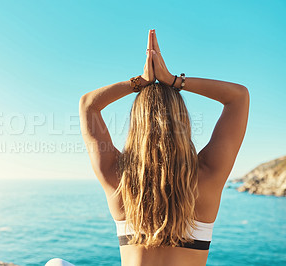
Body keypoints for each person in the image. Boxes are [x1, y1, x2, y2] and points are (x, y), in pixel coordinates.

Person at [47, 29, 250, 266]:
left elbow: (88, 105)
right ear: (182, 120)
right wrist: (175, 81)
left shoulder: (116, 175)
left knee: (56, 264)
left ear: (136, 122)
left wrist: (139, 81)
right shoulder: (208, 174)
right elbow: (238, 97)